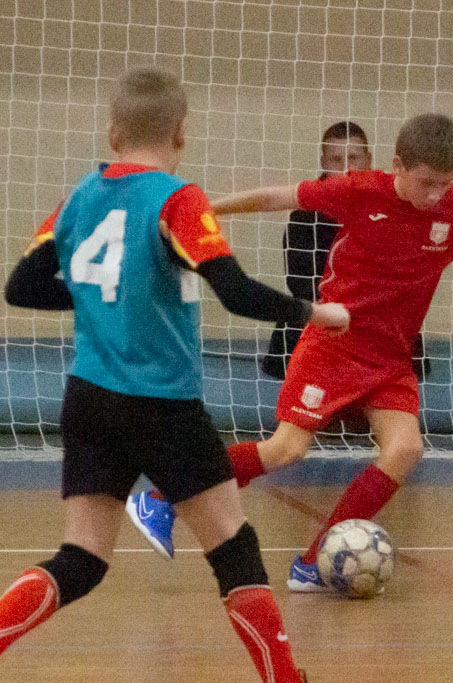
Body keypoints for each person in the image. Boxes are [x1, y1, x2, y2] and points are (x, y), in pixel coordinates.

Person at [127, 113, 453, 591]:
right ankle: (159, 499)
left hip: (391, 357)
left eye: (446, 183)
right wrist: (203, 211)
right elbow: (275, 197)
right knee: (287, 450)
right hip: (334, 344)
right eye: (427, 183)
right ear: (398, 166)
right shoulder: (360, 190)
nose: (436, 195)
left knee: (405, 449)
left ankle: (313, 563)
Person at [0, 68, 351, 681]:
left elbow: (21, 287)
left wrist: (100, 302)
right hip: (161, 404)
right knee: (235, 549)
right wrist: (314, 312)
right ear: (181, 133)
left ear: (113, 134)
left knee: (81, 559)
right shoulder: (177, 198)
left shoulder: (81, 196)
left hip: (88, 398)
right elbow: (234, 292)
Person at [262, 121, 430, 383]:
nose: (345, 168)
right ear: (323, 162)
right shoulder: (304, 217)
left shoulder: (395, 208)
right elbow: (303, 287)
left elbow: (403, 283)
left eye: (353, 158)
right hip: (321, 323)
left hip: (380, 324)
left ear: (368, 160)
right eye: (336, 159)